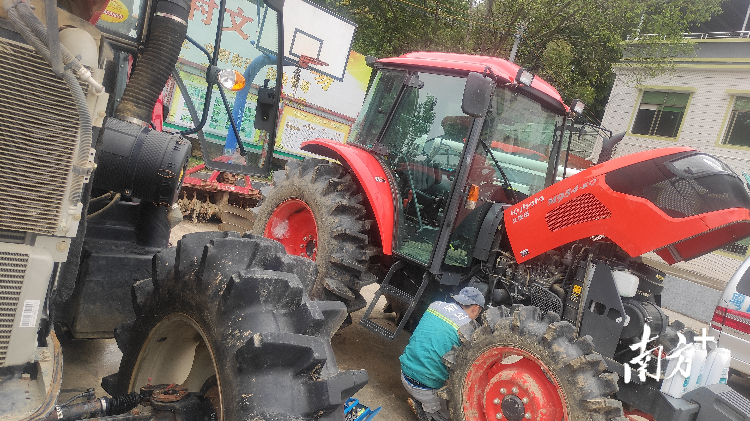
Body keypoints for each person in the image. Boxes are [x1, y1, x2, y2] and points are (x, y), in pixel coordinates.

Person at [399, 287, 484, 421]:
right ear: (476, 309)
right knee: (453, 415)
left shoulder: (435, 305)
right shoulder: (469, 328)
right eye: (479, 312)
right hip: (425, 387)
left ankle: (423, 401)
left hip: (405, 374)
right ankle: (427, 412)